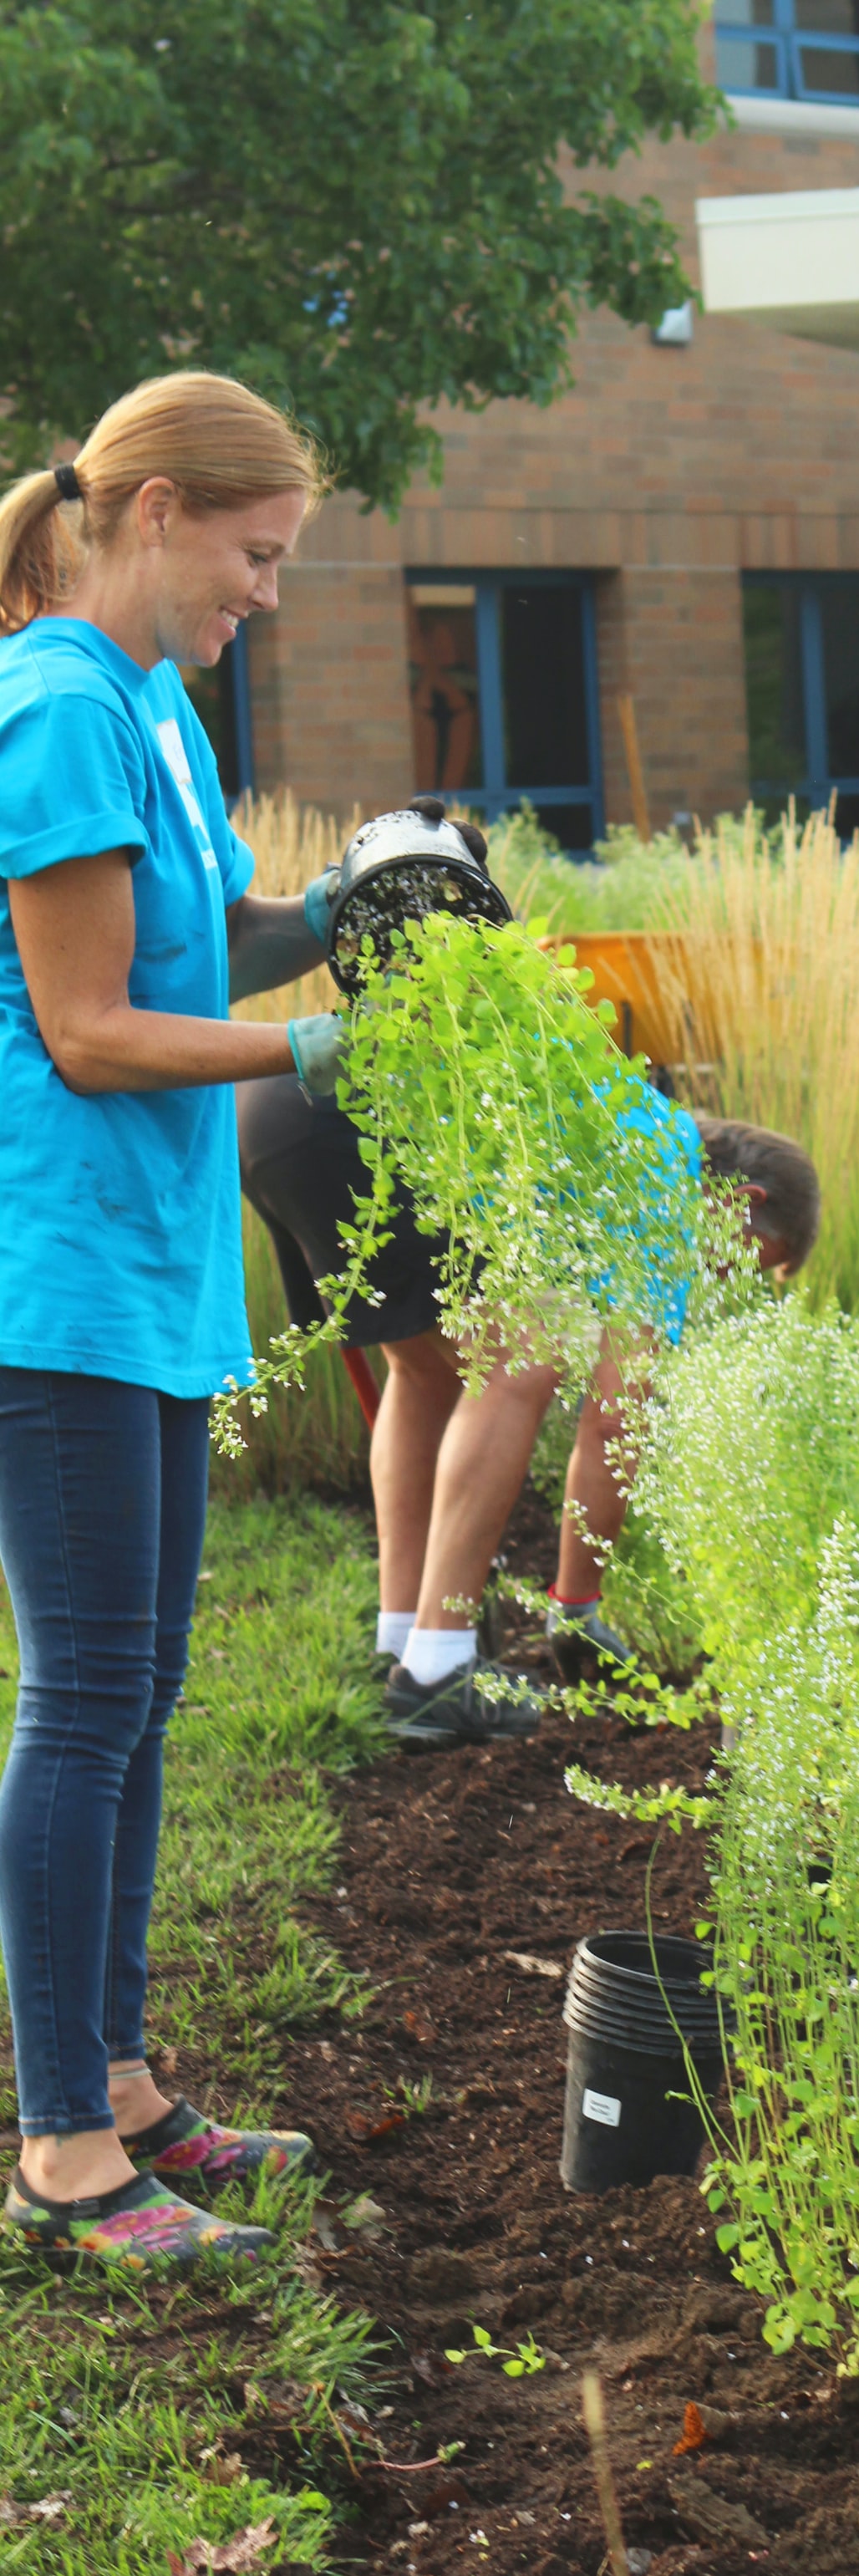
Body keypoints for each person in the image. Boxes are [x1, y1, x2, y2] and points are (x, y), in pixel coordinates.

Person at [0, 372, 361, 2268]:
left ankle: (122, 2075)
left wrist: (363, 905)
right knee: (79, 1700)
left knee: (135, 1692)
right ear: (148, 510)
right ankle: (61, 2143)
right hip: (48, 1272)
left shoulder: (154, 698)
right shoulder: (54, 701)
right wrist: (316, 1041)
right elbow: (87, 1027)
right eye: (253, 552)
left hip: (147, 1272)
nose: (268, 593)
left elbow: (201, 936)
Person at [237, 1076, 820, 1744]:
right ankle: (438, 1673)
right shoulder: (663, 1171)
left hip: (281, 1106)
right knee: (529, 1348)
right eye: (740, 1260)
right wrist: (576, 1607)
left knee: (426, 1372)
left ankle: (403, 1650)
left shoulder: (627, 1118)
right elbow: (614, 1419)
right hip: (358, 1119)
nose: (717, 1277)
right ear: (741, 1201)